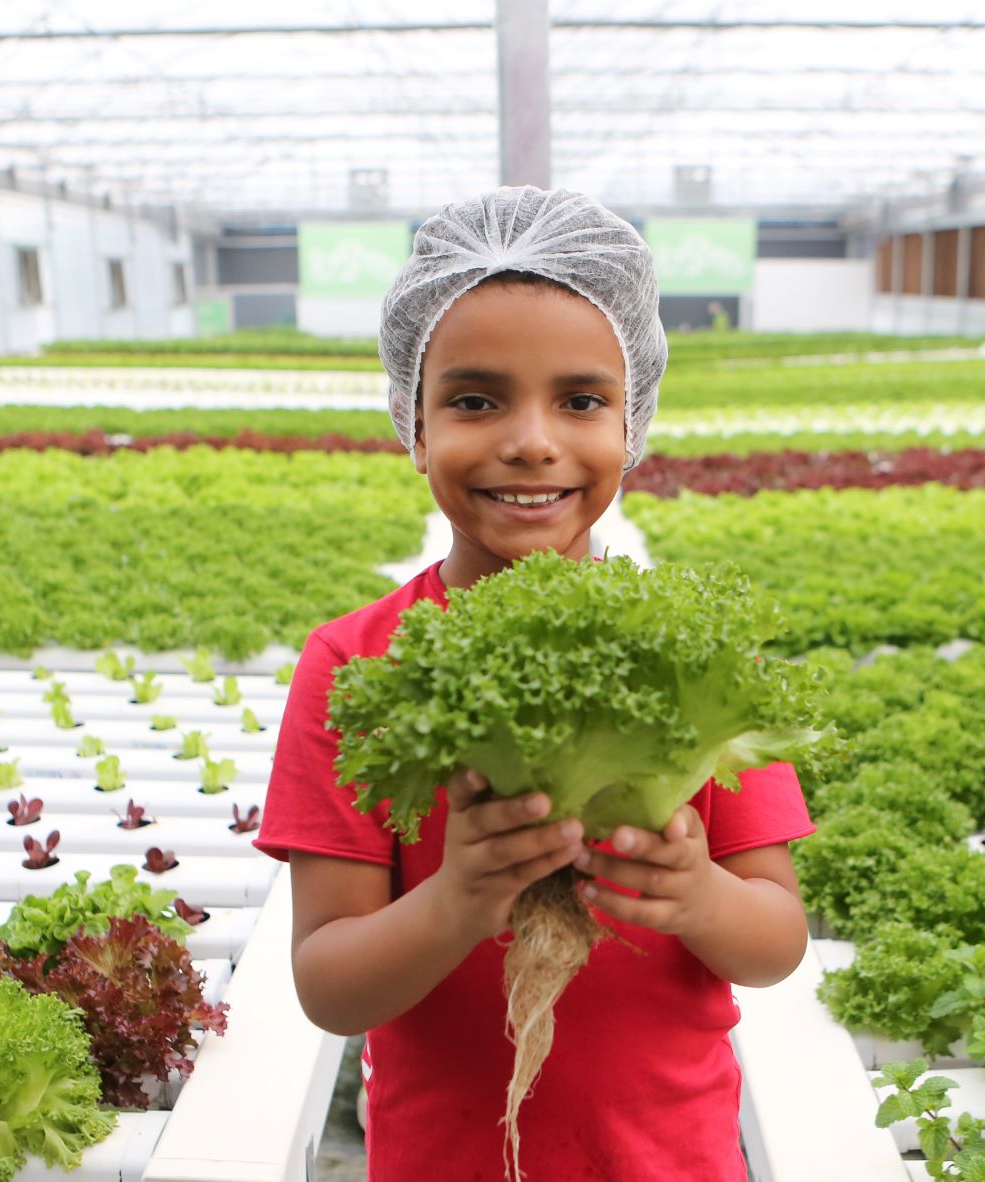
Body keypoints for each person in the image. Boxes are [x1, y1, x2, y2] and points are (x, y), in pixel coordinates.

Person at [254, 185, 816, 1182]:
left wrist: (697, 897)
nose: (531, 440)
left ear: (633, 420)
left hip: (672, 1163)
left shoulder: (698, 660)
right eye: (474, 400)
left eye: (582, 400)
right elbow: (330, 987)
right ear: (412, 424)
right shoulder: (354, 662)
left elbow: (774, 943)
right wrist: (457, 902)